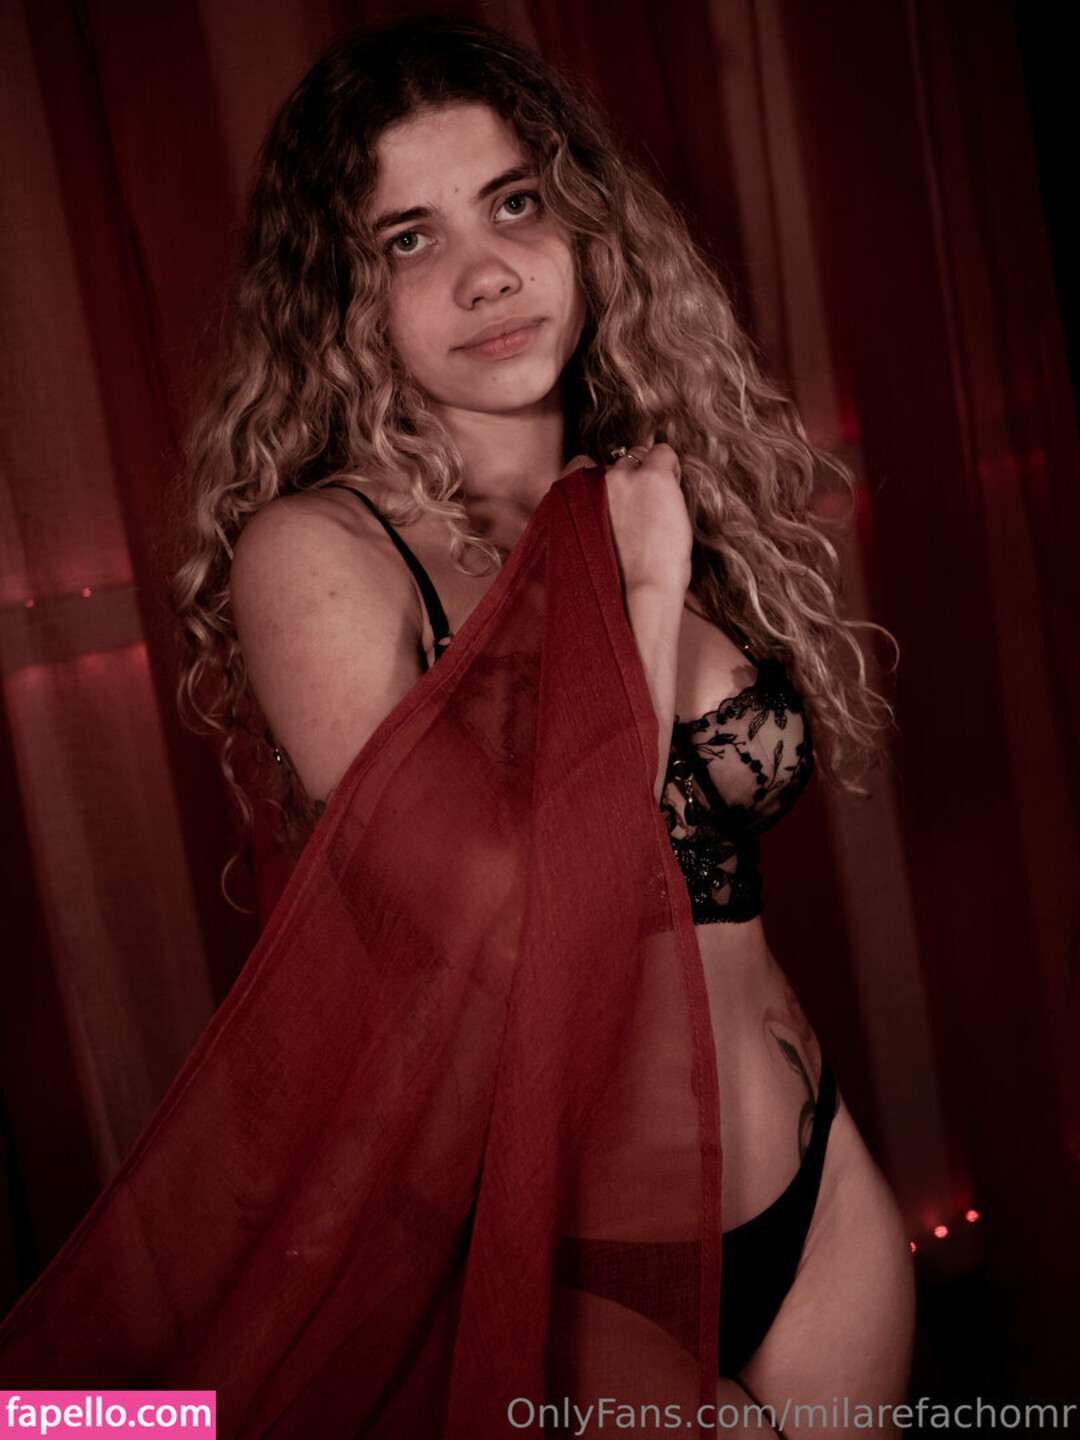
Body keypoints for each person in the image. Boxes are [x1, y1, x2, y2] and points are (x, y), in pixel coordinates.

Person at [0, 16, 915, 1438]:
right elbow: (511, 919)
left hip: (818, 1185)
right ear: (339, 293)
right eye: (407, 239)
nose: (485, 271)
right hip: (564, 1255)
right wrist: (644, 593)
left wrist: (647, 550)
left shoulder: (638, 482)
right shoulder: (324, 555)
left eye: (514, 202)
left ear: (585, 222)